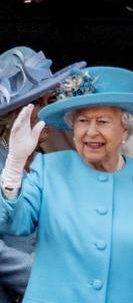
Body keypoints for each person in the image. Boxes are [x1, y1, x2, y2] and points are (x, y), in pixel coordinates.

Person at [0, 66, 133, 302]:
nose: (91, 132)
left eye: (103, 122)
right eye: (83, 121)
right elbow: (13, 223)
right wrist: (14, 165)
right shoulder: (49, 170)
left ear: (125, 127)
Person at [0, 46, 85, 302]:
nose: (49, 112)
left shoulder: (47, 164)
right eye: (40, 103)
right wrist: (46, 281)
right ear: (14, 112)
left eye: (51, 102)